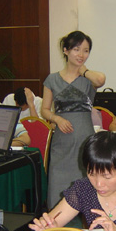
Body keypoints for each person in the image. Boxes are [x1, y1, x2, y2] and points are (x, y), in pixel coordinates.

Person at [41, 31, 106, 208]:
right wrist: (57, 119)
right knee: (58, 187)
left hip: (84, 138)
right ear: (66, 50)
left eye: (86, 50)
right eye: (76, 49)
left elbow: (101, 79)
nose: (81, 55)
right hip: (62, 141)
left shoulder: (89, 79)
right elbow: (44, 110)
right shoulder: (52, 79)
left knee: (86, 183)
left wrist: (84, 71)